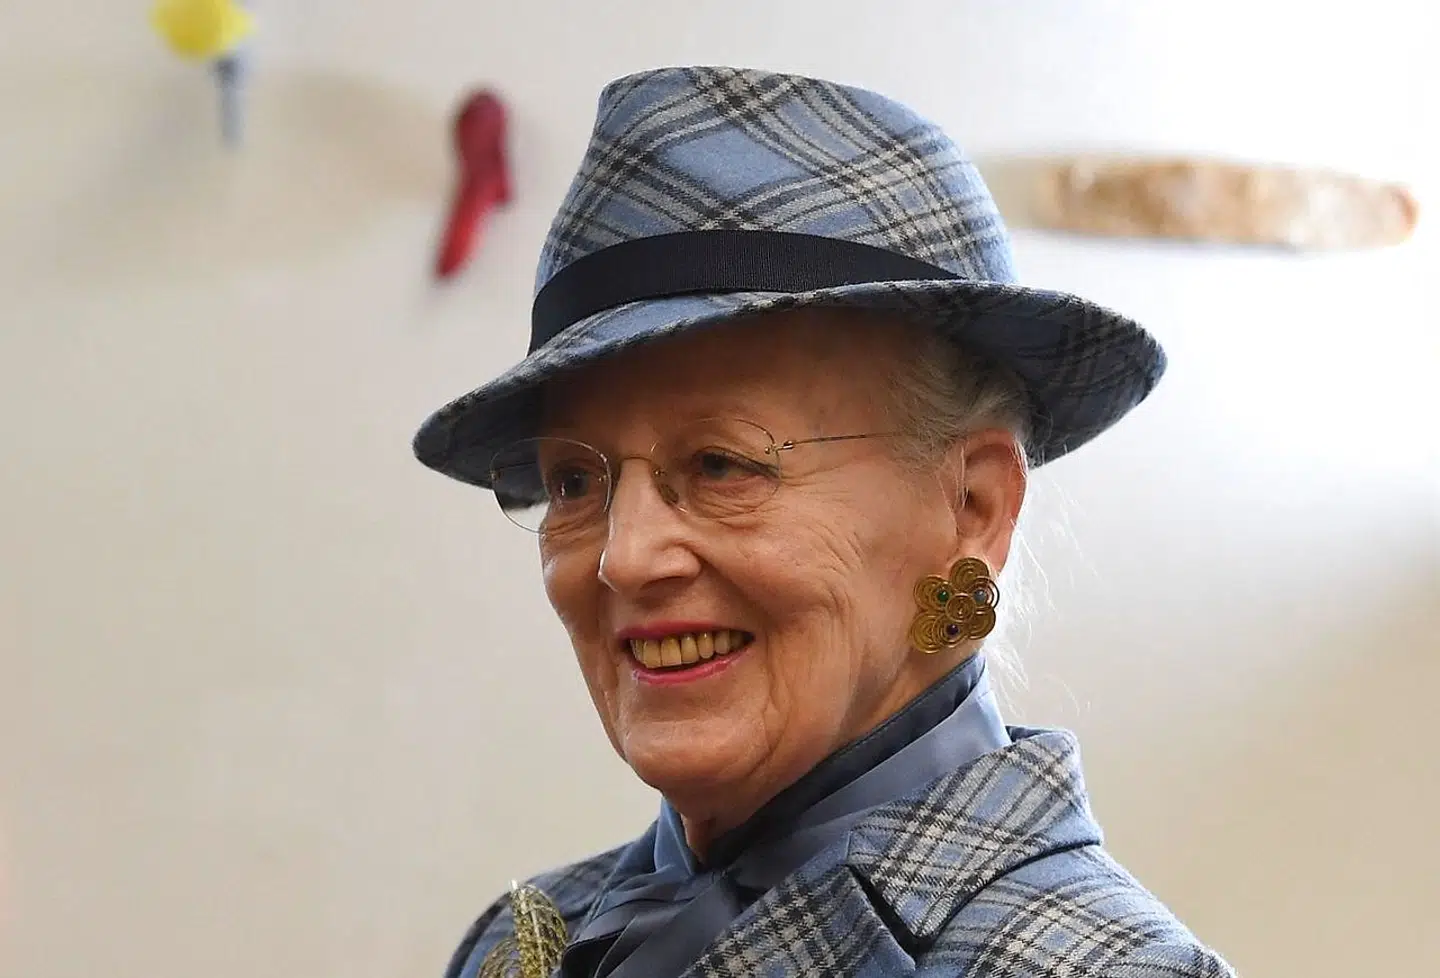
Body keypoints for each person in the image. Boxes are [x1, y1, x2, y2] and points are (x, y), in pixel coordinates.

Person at [413, 66, 1235, 978]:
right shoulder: (524, 940)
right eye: (572, 482)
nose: (625, 556)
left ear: (973, 508)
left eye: (721, 463)